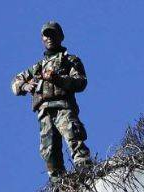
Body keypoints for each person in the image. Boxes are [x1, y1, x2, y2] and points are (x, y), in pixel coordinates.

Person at [11, 21, 91, 177]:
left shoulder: (69, 60)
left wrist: (58, 79)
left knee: (74, 139)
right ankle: (59, 188)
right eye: (46, 35)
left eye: (52, 34)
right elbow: (15, 82)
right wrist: (25, 86)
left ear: (61, 37)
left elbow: (81, 82)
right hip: (44, 113)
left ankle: (86, 174)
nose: (49, 38)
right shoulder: (37, 67)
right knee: (49, 152)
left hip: (63, 108)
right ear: (42, 39)